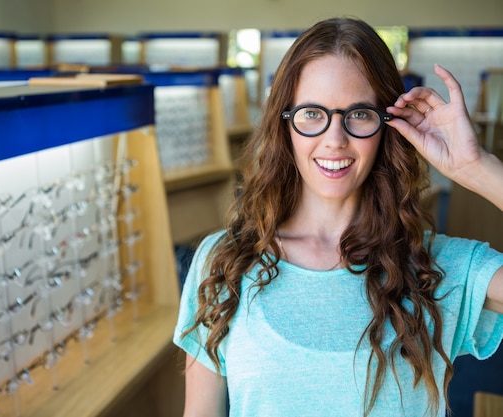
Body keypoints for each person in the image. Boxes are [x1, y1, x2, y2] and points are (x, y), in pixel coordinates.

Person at [173, 17, 503, 417]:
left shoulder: (438, 270)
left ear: (386, 125)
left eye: (359, 114)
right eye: (312, 113)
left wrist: (477, 168)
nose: (334, 139)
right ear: (286, 123)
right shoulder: (223, 261)